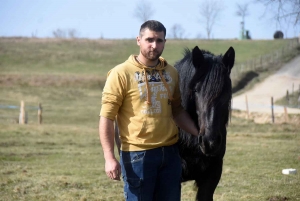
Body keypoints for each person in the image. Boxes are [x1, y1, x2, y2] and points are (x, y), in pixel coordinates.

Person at [99, 20, 199, 201]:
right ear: (138, 40)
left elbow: (177, 111)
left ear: (164, 42)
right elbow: (107, 117)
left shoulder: (171, 72)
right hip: (137, 155)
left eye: (160, 40)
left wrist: (199, 134)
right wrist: (109, 158)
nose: (154, 45)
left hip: (170, 155)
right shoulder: (120, 73)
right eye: (149, 40)